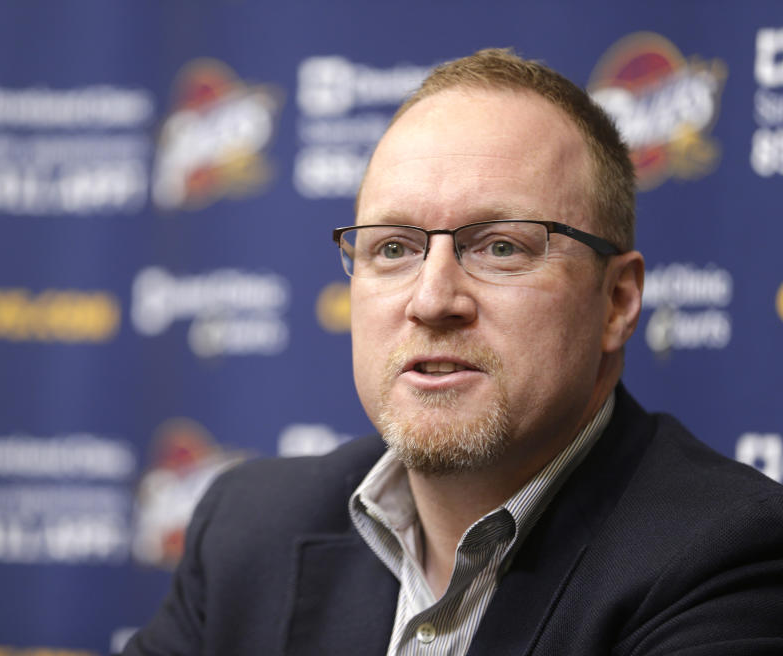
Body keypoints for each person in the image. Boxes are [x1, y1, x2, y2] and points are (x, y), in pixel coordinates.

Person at [124, 49, 783, 655]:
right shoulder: (248, 528)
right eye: (393, 249)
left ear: (616, 302)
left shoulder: (727, 557)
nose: (433, 299)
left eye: (501, 247)